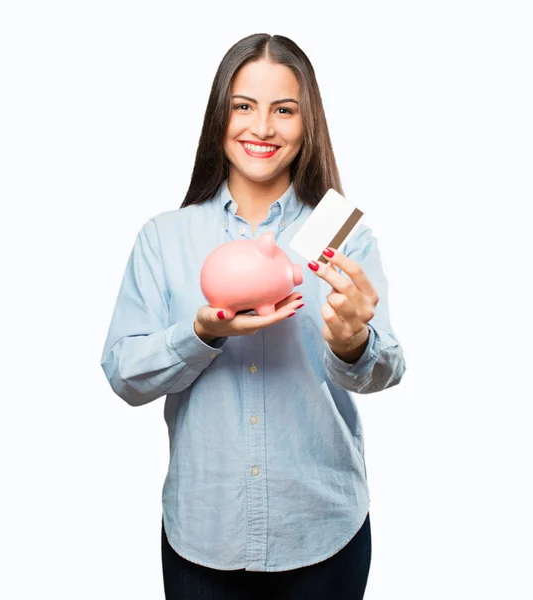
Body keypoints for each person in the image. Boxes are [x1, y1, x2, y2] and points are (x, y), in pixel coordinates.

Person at [100, 32, 406, 600]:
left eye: (284, 110)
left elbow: (388, 368)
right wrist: (199, 334)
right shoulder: (167, 236)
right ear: (220, 114)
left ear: (307, 121)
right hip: (203, 532)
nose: (262, 129)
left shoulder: (337, 230)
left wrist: (352, 341)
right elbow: (124, 375)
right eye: (244, 106)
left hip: (323, 529)